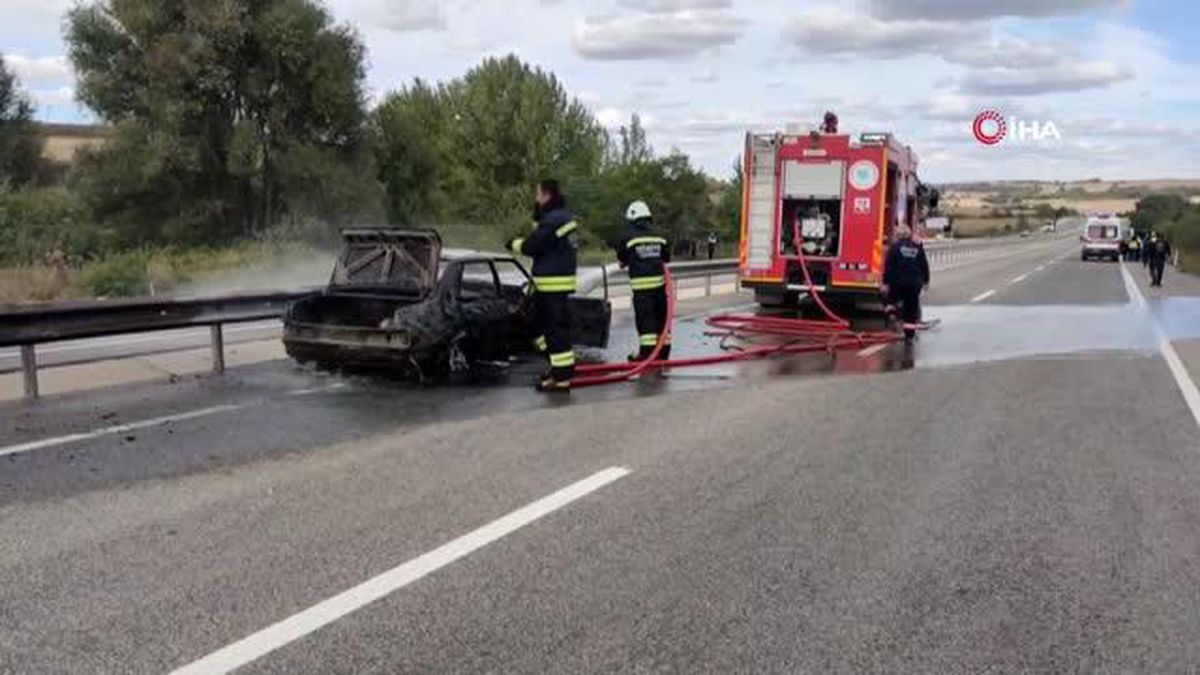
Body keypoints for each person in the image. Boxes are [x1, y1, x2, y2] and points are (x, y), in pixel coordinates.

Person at [507, 180, 579, 392]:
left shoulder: (554, 220)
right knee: (542, 329)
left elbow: (532, 246)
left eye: (538, 195)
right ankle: (558, 369)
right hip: (552, 286)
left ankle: (562, 377)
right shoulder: (563, 218)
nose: (536, 198)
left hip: (551, 288)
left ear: (547, 195)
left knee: (554, 333)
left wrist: (513, 244)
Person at [615, 201, 671, 362]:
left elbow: (622, 256)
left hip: (642, 289)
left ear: (632, 218)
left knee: (646, 321)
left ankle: (646, 355)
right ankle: (664, 353)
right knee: (662, 319)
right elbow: (666, 258)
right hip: (660, 288)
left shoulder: (627, 236)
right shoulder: (660, 235)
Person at [881, 225, 930, 343]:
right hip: (914, 284)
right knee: (911, 310)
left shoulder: (894, 247)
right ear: (909, 234)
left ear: (897, 235)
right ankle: (909, 336)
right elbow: (923, 265)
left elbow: (888, 267)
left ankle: (892, 314)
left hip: (897, 283)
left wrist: (886, 282)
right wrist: (926, 281)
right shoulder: (918, 247)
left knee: (889, 298)